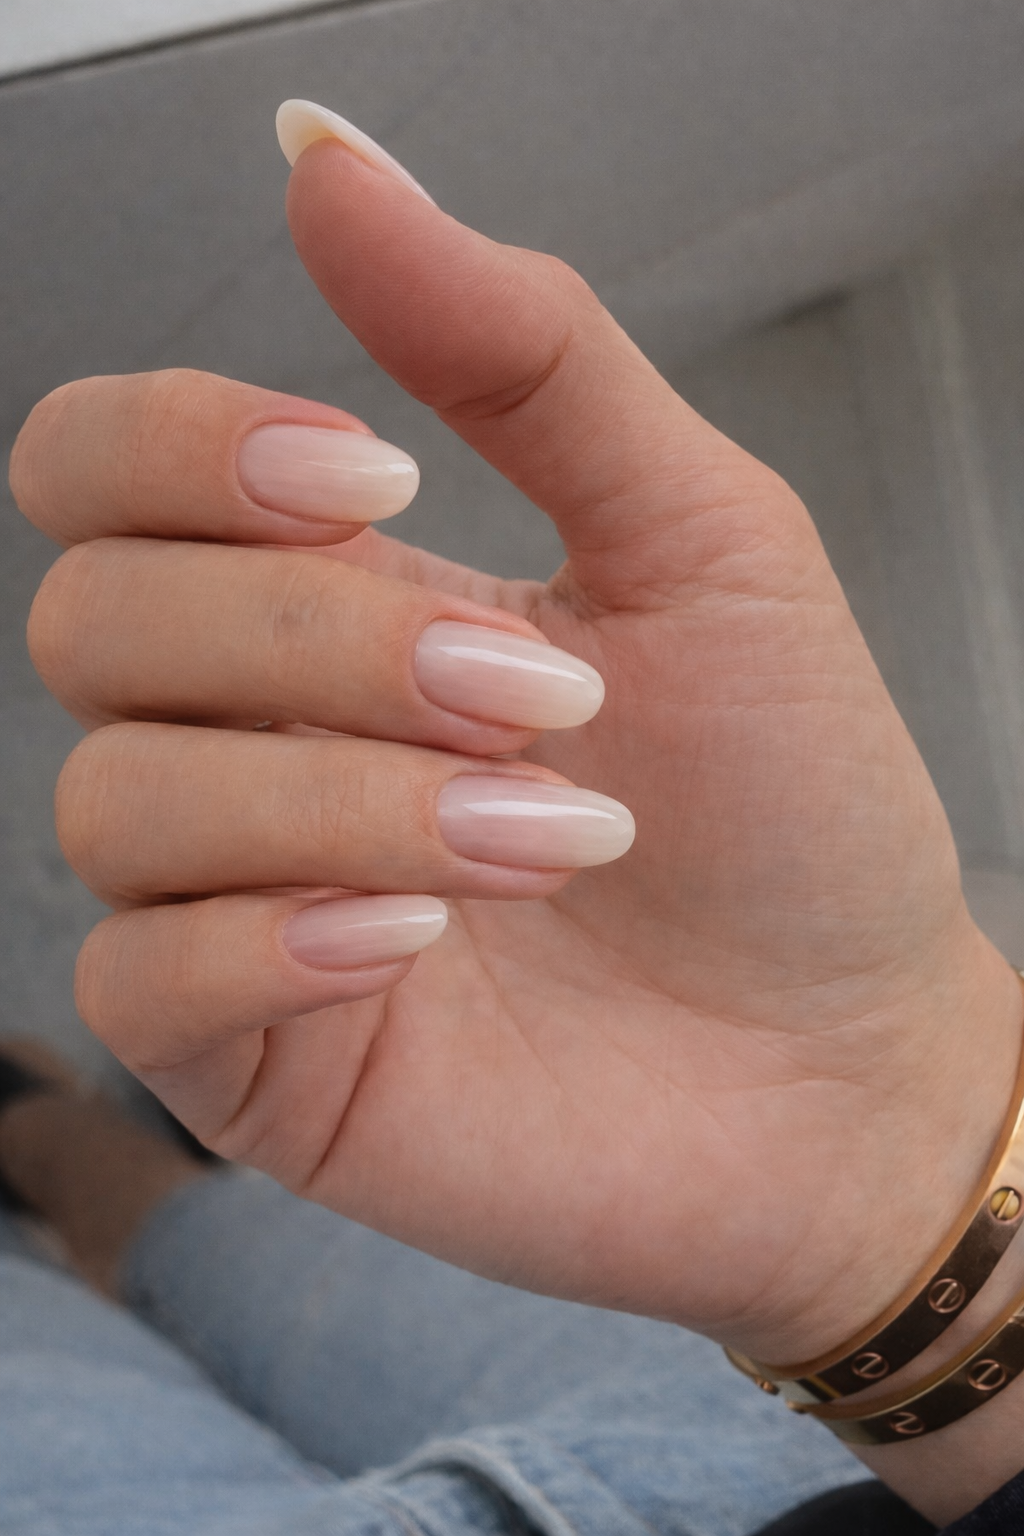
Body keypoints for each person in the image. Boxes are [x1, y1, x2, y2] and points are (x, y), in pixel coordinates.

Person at [2, 98, 1023, 1533]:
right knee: (210, 1244)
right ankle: (45, 1141)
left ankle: (40, 1159)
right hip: (815, 1428)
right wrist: (888, 1167)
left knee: (37, 1351)